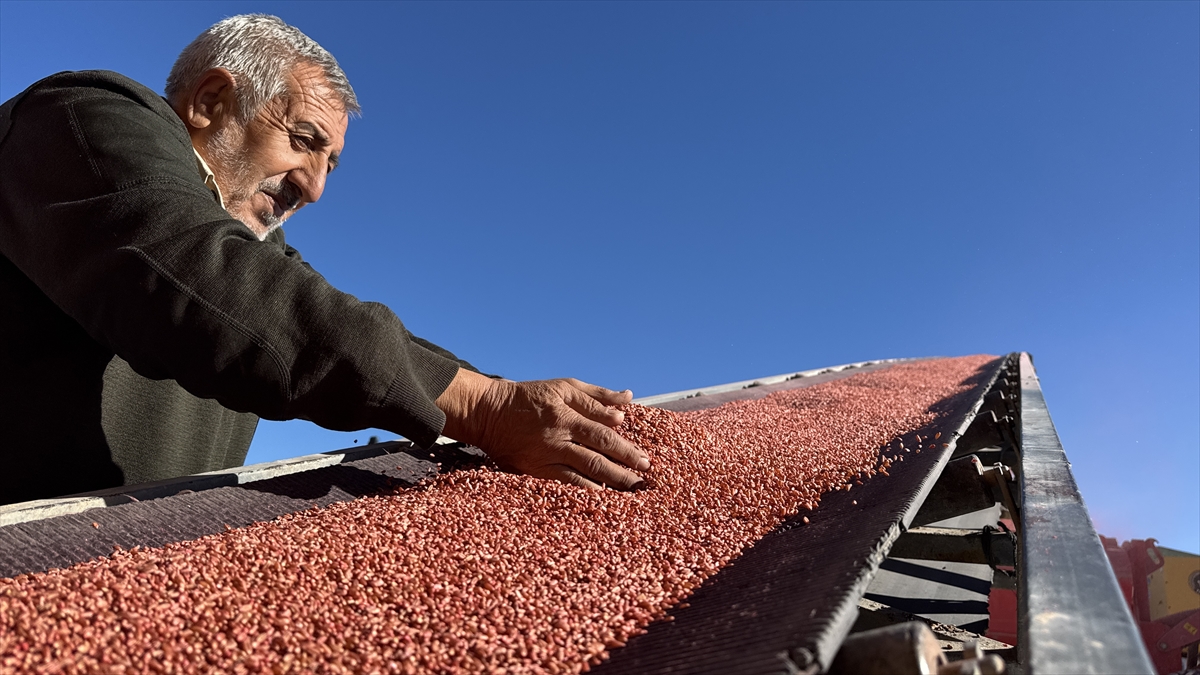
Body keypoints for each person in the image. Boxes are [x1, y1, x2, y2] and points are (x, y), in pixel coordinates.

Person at [0, 14, 648, 506]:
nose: (314, 188)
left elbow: (339, 324)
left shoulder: (264, 254)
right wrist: (490, 408)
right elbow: (220, 285)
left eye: (330, 164)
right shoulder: (84, 121)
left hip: (138, 574)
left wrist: (509, 407)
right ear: (209, 102)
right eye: (303, 141)